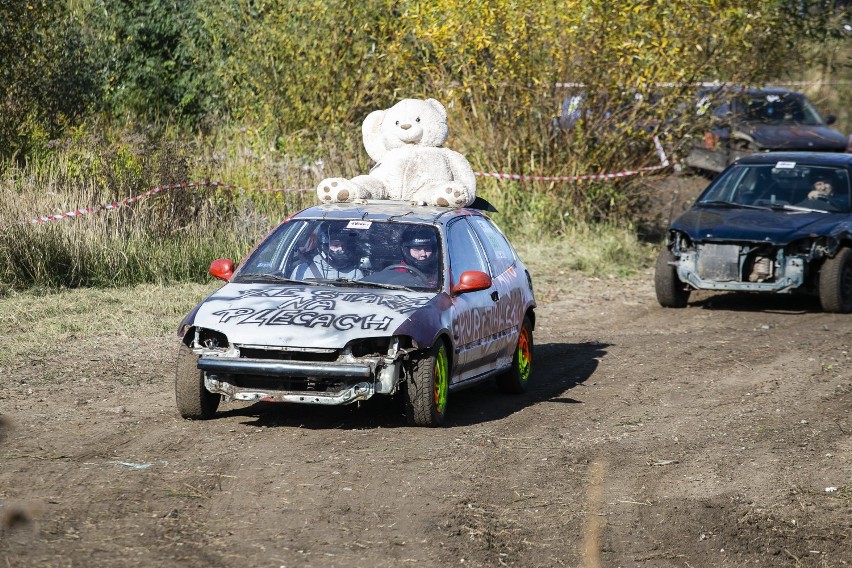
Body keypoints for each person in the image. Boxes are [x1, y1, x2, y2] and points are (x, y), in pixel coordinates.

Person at [290, 226, 364, 280]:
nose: (340, 249)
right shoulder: (302, 271)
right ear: (324, 246)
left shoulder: (355, 274)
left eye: (343, 246)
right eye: (336, 245)